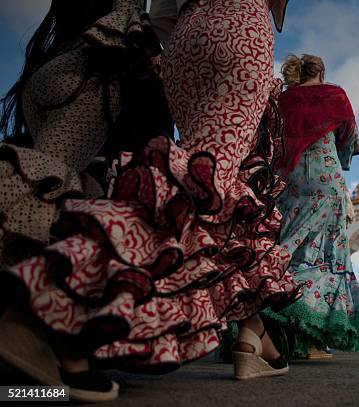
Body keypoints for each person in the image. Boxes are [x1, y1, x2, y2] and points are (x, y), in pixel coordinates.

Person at [1, 0, 300, 400]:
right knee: (196, 187)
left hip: (185, 41)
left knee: (216, 190)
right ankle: (47, 311)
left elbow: (161, 15)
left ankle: (255, 334)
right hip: (241, 29)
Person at [0, 0, 164, 401]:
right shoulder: (105, 54)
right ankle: (39, 352)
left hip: (27, 177)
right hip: (55, 187)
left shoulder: (61, 55)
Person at [257, 53, 359, 358]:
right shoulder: (333, 94)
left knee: (287, 244)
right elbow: (348, 140)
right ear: (322, 72)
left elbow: (268, 138)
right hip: (324, 176)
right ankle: (313, 337)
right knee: (325, 252)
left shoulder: (282, 100)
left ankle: (270, 326)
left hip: (286, 179)